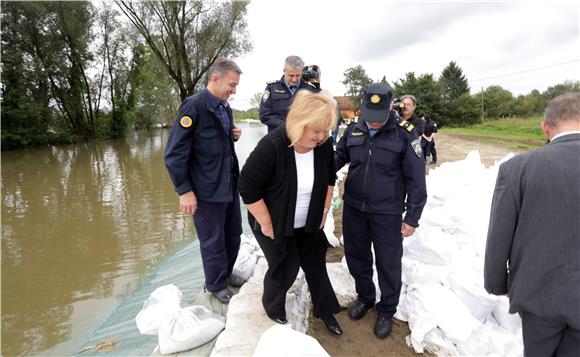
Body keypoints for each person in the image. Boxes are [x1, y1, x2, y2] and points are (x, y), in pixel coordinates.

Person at [238, 90, 343, 335]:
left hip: (309, 219)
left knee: (316, 264)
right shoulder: (273, 145)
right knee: (286, 265)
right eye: (316, 130)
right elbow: (247, 187)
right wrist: (265, 223)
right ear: (299, 122)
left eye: (326, 131)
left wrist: (325, 212)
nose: (321, 136)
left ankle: (325, 311)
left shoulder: (323, 146)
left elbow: (329, 180)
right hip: (273, 219)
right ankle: (273, 307)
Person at [484, 93, 580, 356]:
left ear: (545, 127)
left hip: (539, 294)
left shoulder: (517, 169)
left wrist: (497, 283)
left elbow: (499, 235)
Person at [335, 83, 427, 339]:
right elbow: (336, 158)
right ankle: (365, 298)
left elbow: (416, 180)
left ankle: (386, 310)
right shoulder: (354, 128)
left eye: (379, 116)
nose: (373, 123)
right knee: (357, 257)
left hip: (387, 212)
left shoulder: (405, 134)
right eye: (369, 115)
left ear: (390, 107)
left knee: (388, 264)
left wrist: (412, 218)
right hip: (354, 208)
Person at [164, 58, 245, 304]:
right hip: (206, 190)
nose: (234, 90)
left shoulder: (224, 107)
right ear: (215, 78)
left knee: (233, 234)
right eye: (232, 84)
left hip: (228, 185)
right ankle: (215, 285)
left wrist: (234, 134)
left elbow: (216, 143)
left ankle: (227, 272)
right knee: (213, 240)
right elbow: (174, 154)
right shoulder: (193, 107)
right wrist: (184, 190)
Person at [259, 55, 312, 132]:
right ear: (284, 71)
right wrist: (287, 125)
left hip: (302, 139)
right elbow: (264, 115)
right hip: (278, 139)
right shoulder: (272, 88)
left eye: (298, 75)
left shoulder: (309, 89)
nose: (294, 79)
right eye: (291, 75)